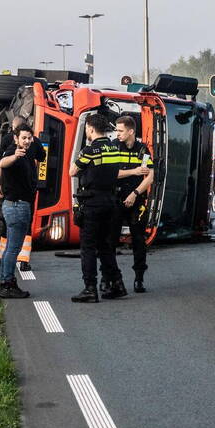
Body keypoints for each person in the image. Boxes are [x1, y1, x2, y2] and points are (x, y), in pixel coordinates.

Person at [70, 113, 125, 303]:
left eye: (86, 129)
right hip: (110, 201)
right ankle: (117, 283)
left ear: (91, 129)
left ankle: (90, 288)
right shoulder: (115, 148)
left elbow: (72, 172)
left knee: (88, 247)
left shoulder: (89, 150)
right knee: (106, 246)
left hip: (92, 203)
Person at [0, 122, 45, 299]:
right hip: (16, 206)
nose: (27, 141)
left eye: (29, 138)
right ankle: (7, 284)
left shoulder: (28, 153)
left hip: (16, 206)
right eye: (23, 138)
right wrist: (15, 156)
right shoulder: (13, 152)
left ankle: (6, 281)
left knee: (10, 248)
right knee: (13, 249)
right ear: (16, 138)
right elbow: (3, 162)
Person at [112, 115, 154, 293]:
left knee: (138, 240)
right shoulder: (113, 147)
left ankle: (139, 279)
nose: (117, 133)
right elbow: (111, 173)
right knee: (110, 239)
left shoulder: (142, 151)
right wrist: (133, 171)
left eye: (120, 130)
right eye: (116, 130)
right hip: (115, 198)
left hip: (136, 200)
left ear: (131, 131)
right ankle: (113, 278)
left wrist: (135, 193)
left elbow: (150, 176)